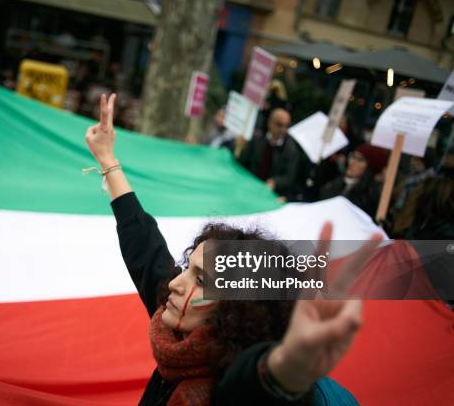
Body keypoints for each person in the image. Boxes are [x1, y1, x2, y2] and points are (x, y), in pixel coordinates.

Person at [85, 93, 382, 405]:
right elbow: (144, 243)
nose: (174, 283)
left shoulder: (230, 384)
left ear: (236, 310)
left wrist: (289, 368)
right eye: (188, 269)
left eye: (201, 280)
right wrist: (108, 160)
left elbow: (257, 383)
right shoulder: (176, 324)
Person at [237, 108, 303, 198]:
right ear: (270, 123)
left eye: (286, 126)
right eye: (279, 125)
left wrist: (275, 182)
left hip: (270, 195)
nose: (283, 130)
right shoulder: (257, 139)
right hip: (248, 187)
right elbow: (242, 162)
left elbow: (289, 177)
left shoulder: (291, 150)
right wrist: (239, 148)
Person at [319, 143, 389, 218]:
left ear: (370, 168)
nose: (352, 162)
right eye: (353, 156)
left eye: (359, 160)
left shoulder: (369, 197)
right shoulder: (333, 185)